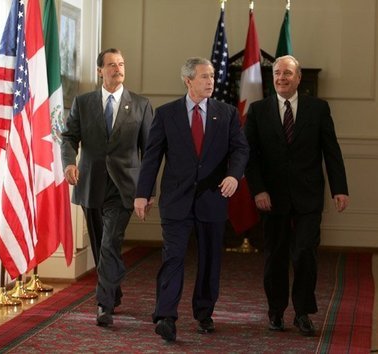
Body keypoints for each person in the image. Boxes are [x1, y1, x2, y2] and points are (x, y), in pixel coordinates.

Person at [134, 57, 249, 342]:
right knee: (173, 257)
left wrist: (234, 175)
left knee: (210, 260)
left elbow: (240, 150)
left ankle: (204, 312)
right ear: (187, 80)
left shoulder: (227, 113)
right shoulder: (166, 114)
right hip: (176, 199)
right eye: (204, 77)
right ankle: (165, 316)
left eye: (212, 76)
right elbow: (152, 158)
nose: (211, 81)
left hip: (213, 198)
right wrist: (142, 193)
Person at [244, 55, 349, 336]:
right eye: (277, 73)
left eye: (287, 73)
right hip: (271, 197)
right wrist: (258, 190)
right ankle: (276, 311)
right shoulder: (258, 110)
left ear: (299, 78)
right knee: (275, 255)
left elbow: (331, 150)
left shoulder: (318, 109)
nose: (281, 78)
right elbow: (249, 156)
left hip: (308, 196)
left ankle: (302, 312)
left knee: (304, 253)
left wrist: (340, 188)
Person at [61, 48, 154, 327]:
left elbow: (149, 151)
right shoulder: (83, 102)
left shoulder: (140, 104)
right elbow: (68, 137)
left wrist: (146, 191)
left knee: (110, 242)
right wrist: (68, 163)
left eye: (121, 64)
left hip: (124, 186)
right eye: (111, 65)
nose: (118, 69)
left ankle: (103, 305)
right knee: (102, 244)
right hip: (91, 183)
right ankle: (114, 292)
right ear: (100, 70)